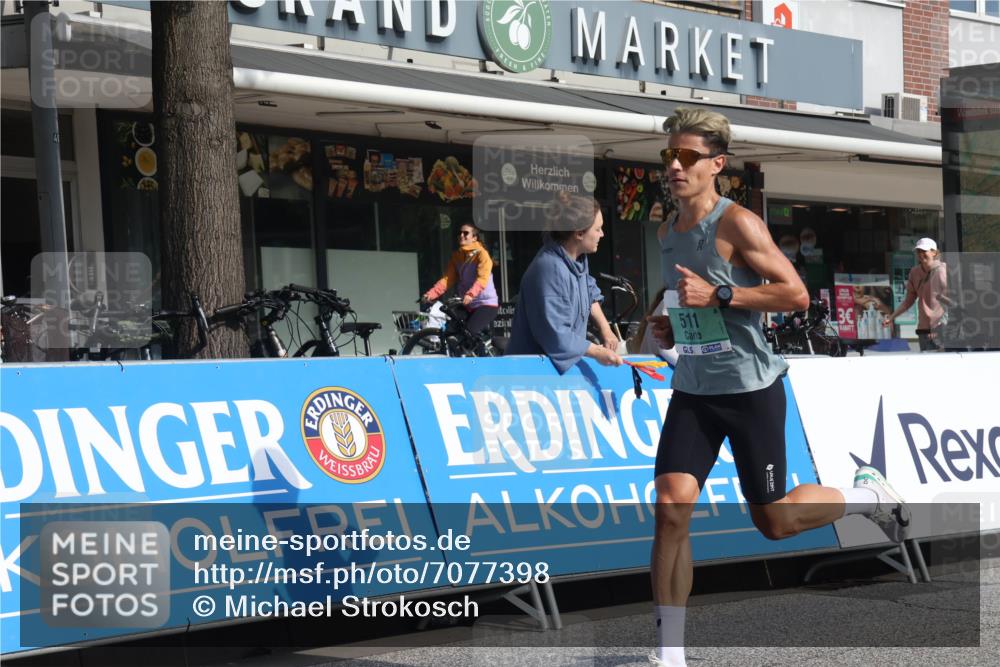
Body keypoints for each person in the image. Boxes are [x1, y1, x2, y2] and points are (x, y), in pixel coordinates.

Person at [645, 108, 911, 667]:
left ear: (716, 164)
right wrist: (672, 323)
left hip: (749, 388)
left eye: (687, 156)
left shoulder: (736, 222)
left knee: (774, 521)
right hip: (694, 387)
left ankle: (868, 496)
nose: (675, 165)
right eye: (669, 155)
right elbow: (684, 300)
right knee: (671, 508)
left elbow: (793, 294)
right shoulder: (666, 229)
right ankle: (670, 653)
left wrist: (720, 296)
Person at [505, 192, 623, 372]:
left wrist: (606, 330)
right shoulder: (549, 268)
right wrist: (597, 351)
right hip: (531, 375)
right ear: (579, 233)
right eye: (598, 229)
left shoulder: (577, 260)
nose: (602, 234)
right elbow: (557, 334)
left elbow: (590, 293)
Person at [422, 223, 499, 337]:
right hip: (467, 303)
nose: (461, 235)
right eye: (460, 233)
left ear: (474, 238)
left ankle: (480, 354)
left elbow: (482, 278)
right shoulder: (457, 256)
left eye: (466, 233)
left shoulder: (482, 254)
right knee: (450, 330)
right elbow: (447, 279)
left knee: (467, 333)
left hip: (485, 304)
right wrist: (431, 294)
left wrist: (471, 294)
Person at [883, 237, 951, 351]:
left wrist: (941, 324)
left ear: (934, 252)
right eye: (918, 251)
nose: (920, 254)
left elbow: (952, 301)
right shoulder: (914, 272)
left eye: (924, 251)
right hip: (923, 329)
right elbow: (908, 301)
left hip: (942, 329)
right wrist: (892, 317)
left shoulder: (943, 271)